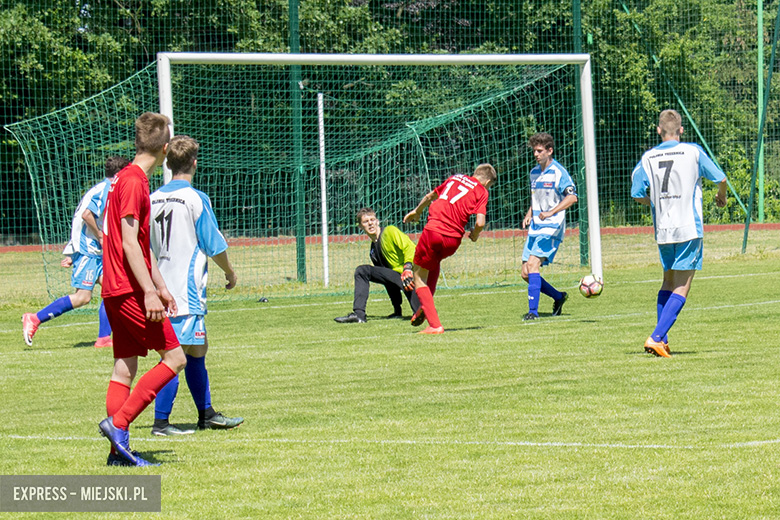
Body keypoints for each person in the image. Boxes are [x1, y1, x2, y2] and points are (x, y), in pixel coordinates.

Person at [98, 112, 187, 467]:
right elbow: (130, 243)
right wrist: (149, 292)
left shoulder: (122, 177)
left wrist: (161, 286)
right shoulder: (135, 181)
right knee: (175, 358)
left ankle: (116, 453)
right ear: (165, 149)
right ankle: (118, 425)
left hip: (115, 288)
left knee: (124, 368)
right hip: (129, 289)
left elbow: (138, 241)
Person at [149, 135, 243, 436]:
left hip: (161, 285)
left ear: (167, 163)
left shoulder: (152, 198)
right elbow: (214, 244)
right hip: (184, 291)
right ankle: (161, 423)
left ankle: (207, 414)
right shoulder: (195, 198)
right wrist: (229, 272)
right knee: (175, 357)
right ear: (194, 163)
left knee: (198, 349)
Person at [631, 109, 727, 358]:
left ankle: (662, 339)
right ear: (681, 130)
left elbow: (636, 193)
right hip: (688, 228)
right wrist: (722, 196)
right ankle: (655, 337)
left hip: (663, 229)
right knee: (682, 286)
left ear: (658, 130)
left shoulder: (648, 157)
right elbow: (721, 179)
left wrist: (655, 202)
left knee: (668, 282)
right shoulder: (692, 152)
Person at [22, 156, 130, 348]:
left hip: (94, 251)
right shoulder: (106, 189)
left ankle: (104, 338)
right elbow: (86, 215)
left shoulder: (106, 188)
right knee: (83, 297)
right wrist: (98, 237)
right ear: (120, 174)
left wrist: (72, 252)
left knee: (112, 290)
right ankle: (34, 318)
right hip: (89, 251)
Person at [403, 163, 497, 334]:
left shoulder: (455, 178)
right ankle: (425, 307)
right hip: (453, 240)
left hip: (434, 231)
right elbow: (480, 222)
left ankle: (434, 325)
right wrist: (475, 234)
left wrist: (417, 211)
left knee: (418, 276)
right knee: (434, 262)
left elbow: (431, 195)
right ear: (488, 181)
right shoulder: (482, 191)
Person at [520, 132, 578, 321]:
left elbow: (572, 197)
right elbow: (537, 198)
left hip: (552, 227)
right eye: (534, 151)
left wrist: (551, 212)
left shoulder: (559, 172)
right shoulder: (534, 173)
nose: (536, 154)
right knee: (526, 273)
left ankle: (533, 312)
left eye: (539, 151)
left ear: (550, 150)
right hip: (536, 227)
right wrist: (530, 213)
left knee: (533, 264)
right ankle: (558, 297)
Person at [334, 208, 423, 324]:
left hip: (410, 274)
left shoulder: (390, 231)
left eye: (372, 220)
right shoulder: (373, 252)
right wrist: (397, 309)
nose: (370, 223)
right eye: (366, 221)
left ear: (377, 221)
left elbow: (410, 248)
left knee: (362, 271)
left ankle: (421, 309)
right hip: (400, 277)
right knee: (363, 271)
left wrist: (407, 268)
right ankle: (359, 315)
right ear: (360, 226)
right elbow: (388, 280)